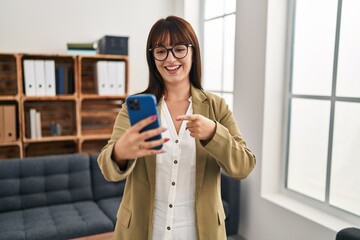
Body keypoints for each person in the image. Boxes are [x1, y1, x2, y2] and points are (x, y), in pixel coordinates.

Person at [97, 15, 256, 240]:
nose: (170, 59)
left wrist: (214, 133)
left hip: (199, 232)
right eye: (161, 51)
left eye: (179, 49)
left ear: (192, 52)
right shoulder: (134, 107)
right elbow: (106, 169)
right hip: (144, 231)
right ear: (152, 57)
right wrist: (120, 152)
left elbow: (244, 167)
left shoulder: (216, 107)